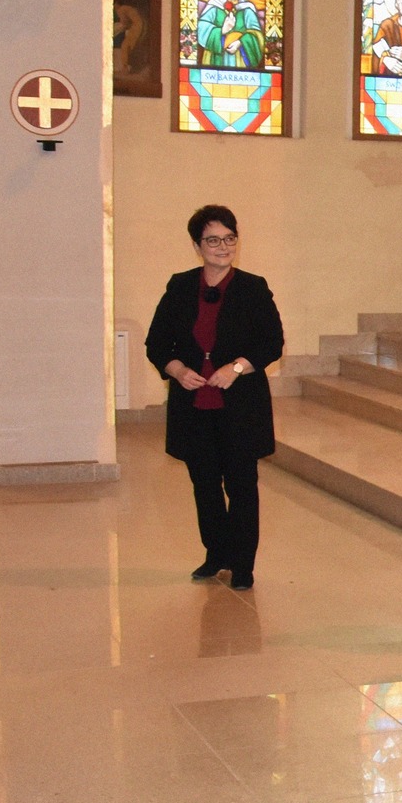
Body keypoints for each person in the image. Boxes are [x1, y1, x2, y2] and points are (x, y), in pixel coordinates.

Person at [145, 206, 285, 590]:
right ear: (197, 246)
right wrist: (177, 370)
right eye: (213, 240)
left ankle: (243, 564)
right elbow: (157, 343)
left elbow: (271, 343)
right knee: (204, 484)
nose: (223, 247)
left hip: (241, 406)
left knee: (241, 485)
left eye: (229, 238)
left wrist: (236, 368)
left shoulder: (253, 288)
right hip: (194, 406)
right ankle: (215, 554)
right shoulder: (179, 286)